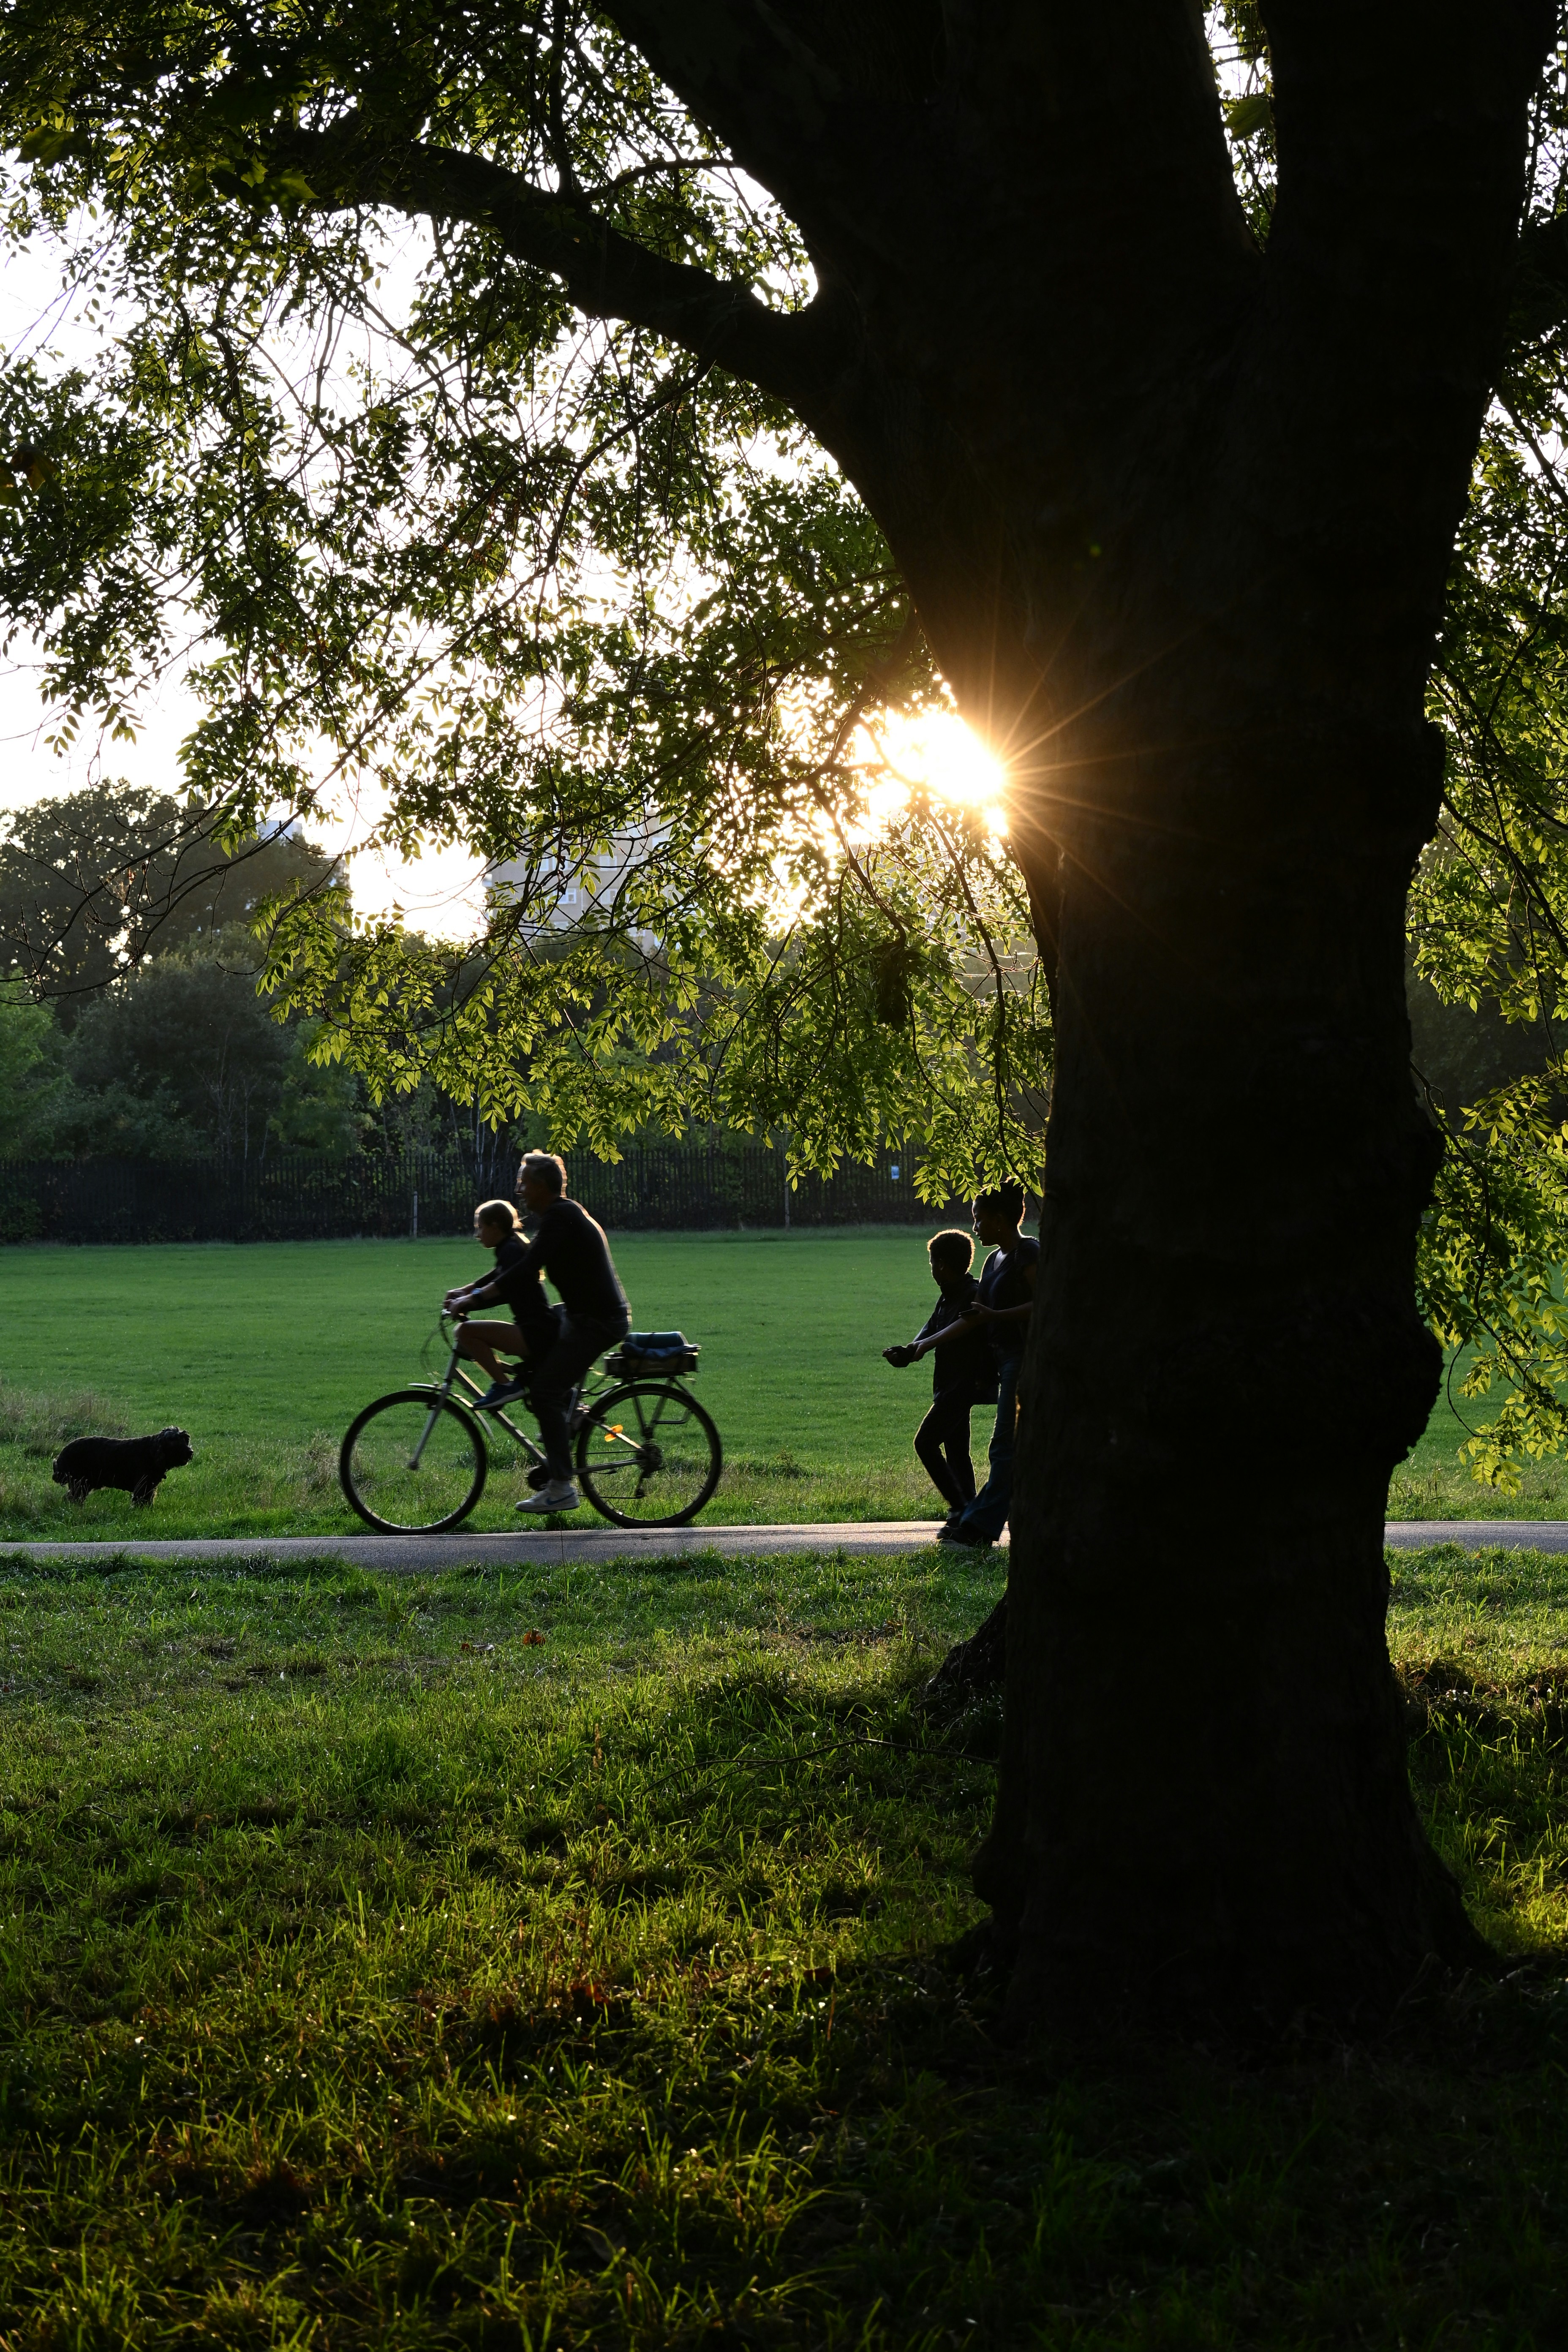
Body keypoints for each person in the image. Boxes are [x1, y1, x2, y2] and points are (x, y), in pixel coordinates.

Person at [506, 1151, 632, 1516]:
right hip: (583, 1316)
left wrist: (477, 1296)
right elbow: (523, 1262)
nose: (520, 1190)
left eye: (524, 1183)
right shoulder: (559, 1214)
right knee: (539, 1367)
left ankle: (561, 1487)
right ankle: (573, 1415)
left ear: (541, 1186)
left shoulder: (560, 1217)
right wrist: (476, 1291)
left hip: (596, 1321)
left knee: (544, 1391)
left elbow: (528, 1267)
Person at [928, 1180, 1039, 1549]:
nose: (975, 1228)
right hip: (999, 1362)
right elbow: (973, 1317)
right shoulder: (994, 1260)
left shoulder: (1029, 1253)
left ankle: (978, 1527)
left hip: (1022, 1359)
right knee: (1005, 1447)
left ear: (1000, 1219)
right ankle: (979, 1521)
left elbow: (1046, 1303)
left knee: (1003, 1446)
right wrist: (922, 1346)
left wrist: (997, 1314)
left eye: (979, 1219)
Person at [883, 1228, 996, 1525]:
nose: (931, 1268)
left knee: (925, 1443)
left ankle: (960, 1508)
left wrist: (923, 1346)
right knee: (956, 1451)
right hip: (951, 1384)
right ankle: (969, 1517)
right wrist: (909, 1351)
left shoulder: (973, 1293)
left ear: (942, 1265)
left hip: (963, 1384)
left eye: (932, 1262)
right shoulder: (950, 1295)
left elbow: (962, 1326)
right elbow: (933, 1325)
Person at [443, 1200, 557, 1403]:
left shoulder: (511, 1251)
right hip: (539, 1331)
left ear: (495, 1226)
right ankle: (510, 1376)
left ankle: (505, 1385)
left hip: (535, 1333)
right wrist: (464, 1293)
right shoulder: (510, 1247)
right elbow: (494, 1280)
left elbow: (501, 1289)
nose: (477, 1236)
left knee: (465, 1332)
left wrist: (468, 1302)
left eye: (480, 1228)